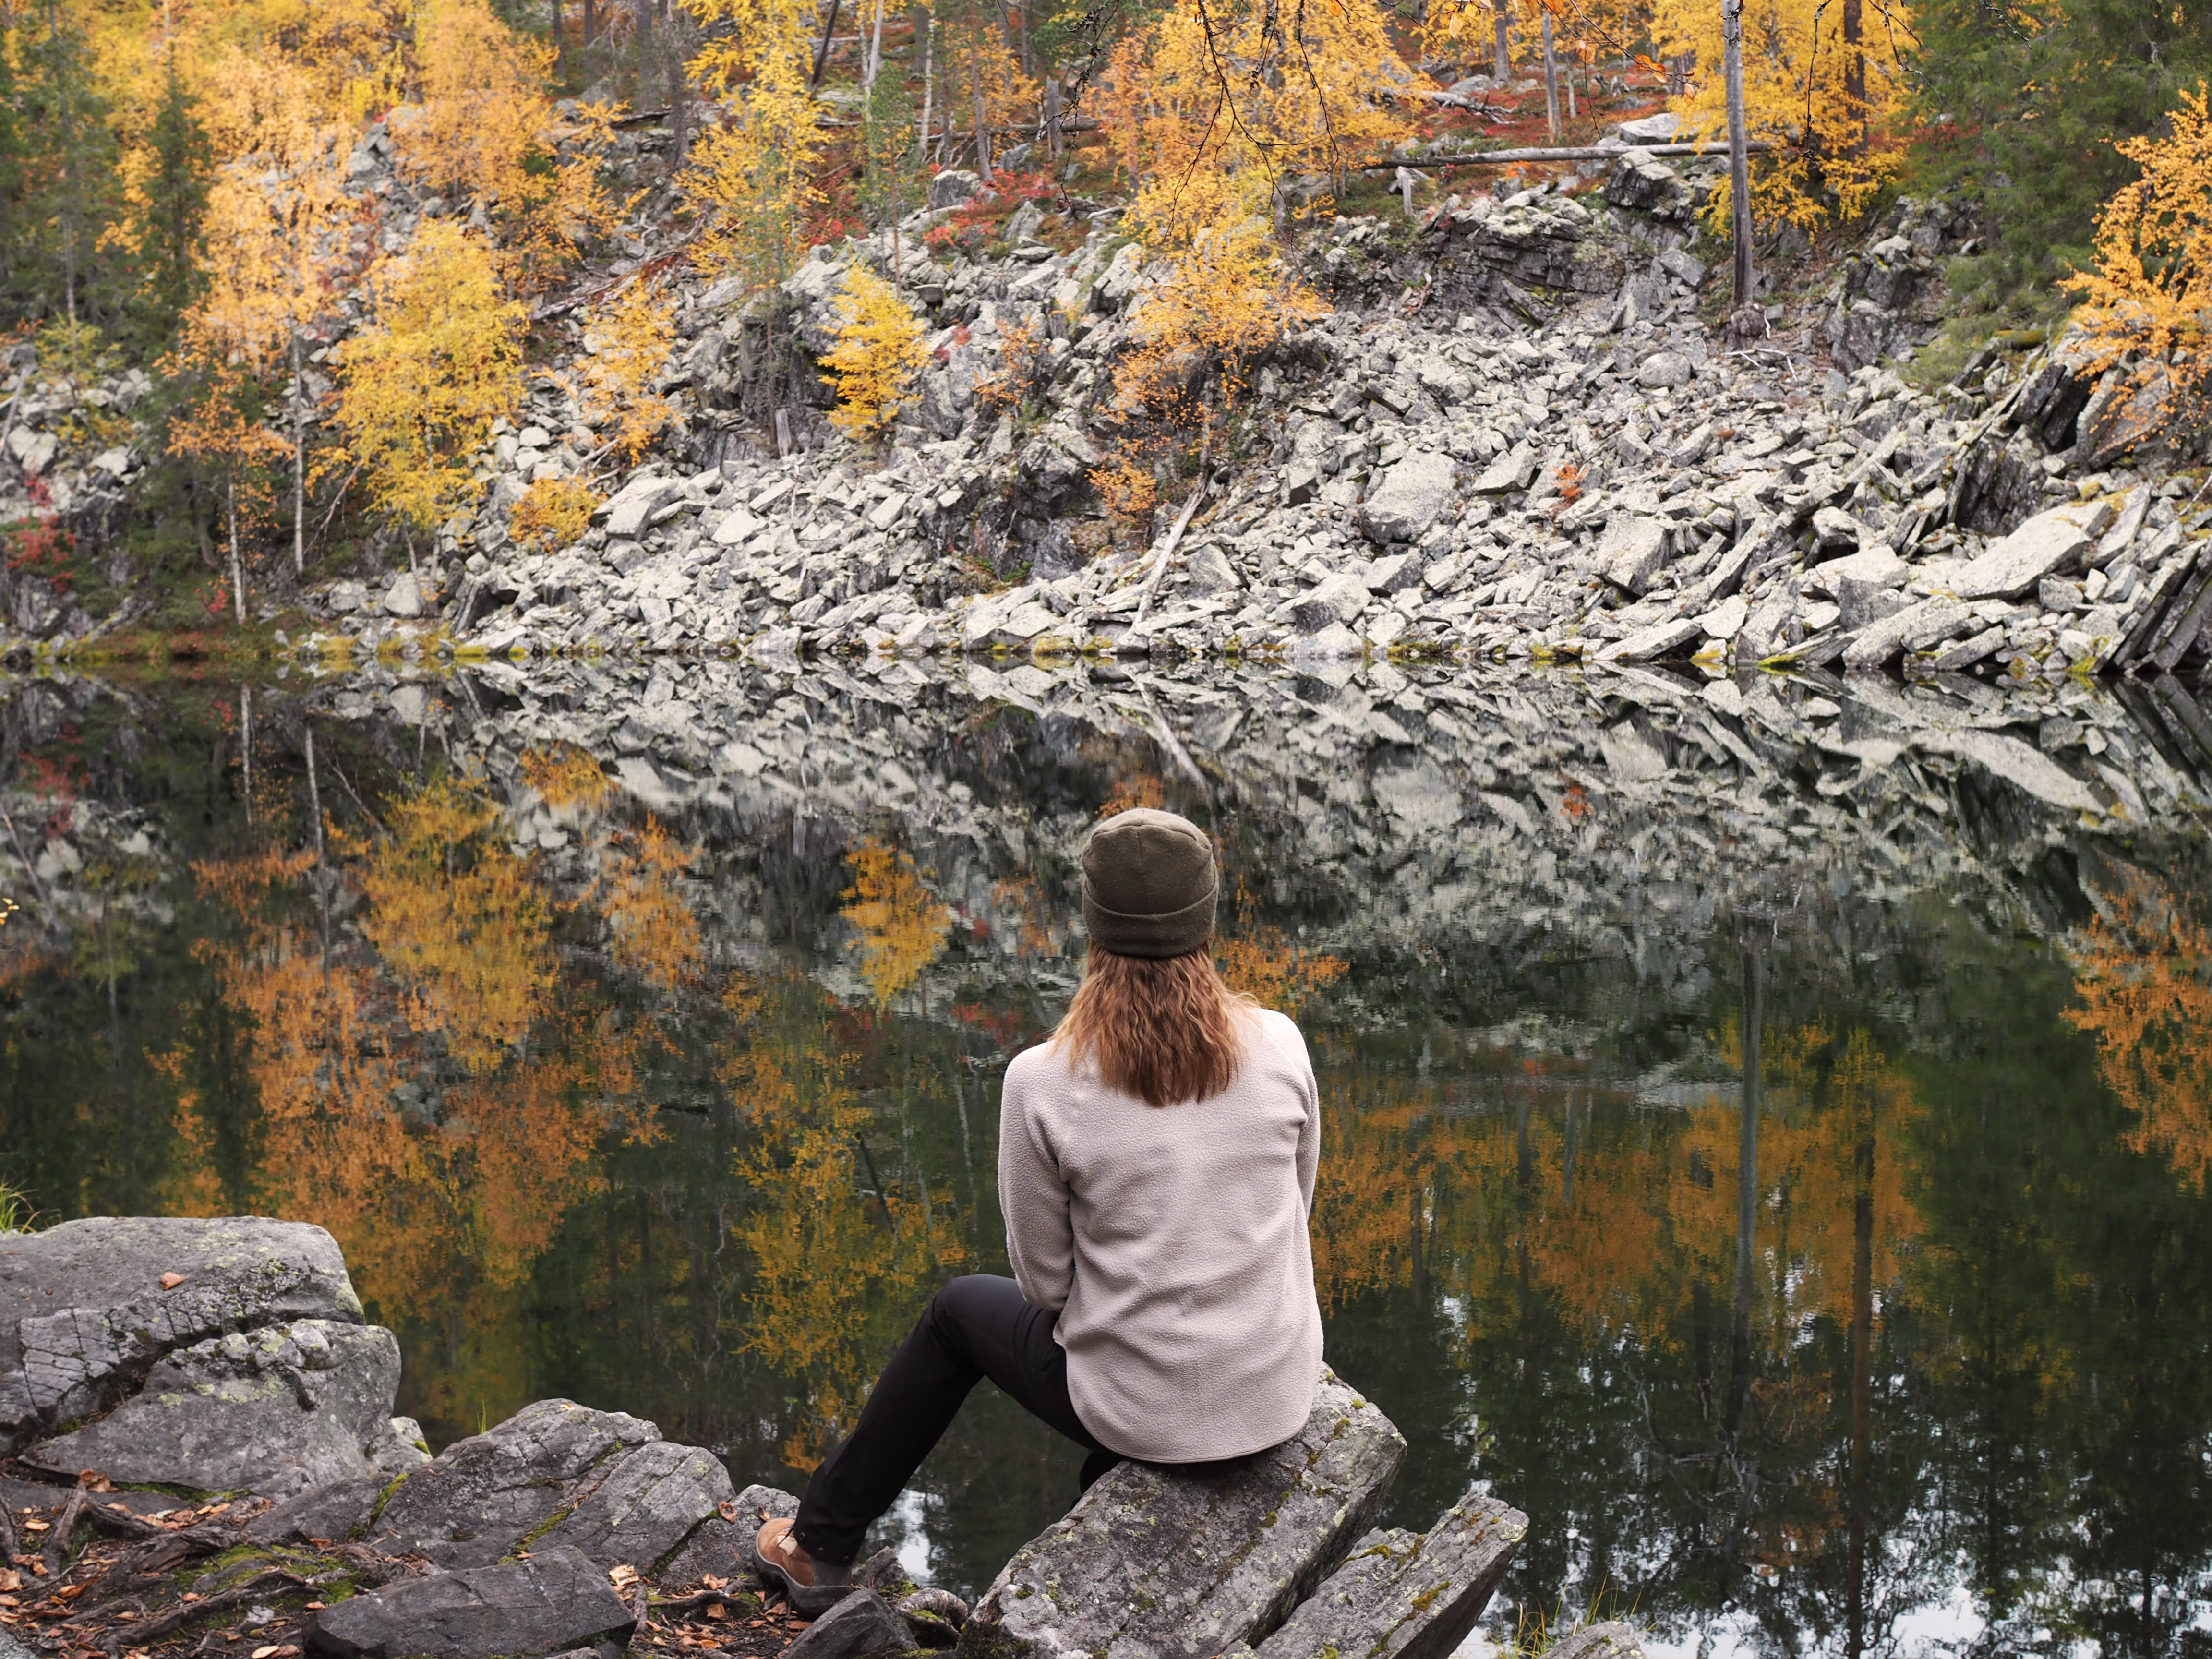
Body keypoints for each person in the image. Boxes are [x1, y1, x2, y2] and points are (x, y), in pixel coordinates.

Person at [755, 806, 1324, 1613]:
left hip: (1140, 1409)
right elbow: (1292, 1213)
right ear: (1206, 917)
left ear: (1094, 923)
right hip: (1273, 1394)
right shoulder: (1283, 1044)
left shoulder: (1043, 1080)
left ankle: (818, 1547)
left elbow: (1046, 1287)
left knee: (958, 1313)